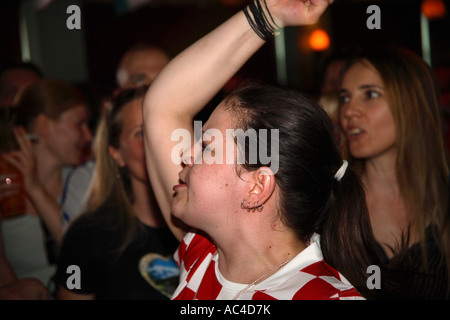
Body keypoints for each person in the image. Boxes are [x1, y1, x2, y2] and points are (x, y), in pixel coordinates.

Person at [142, 0, 388, 300]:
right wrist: (268, 13)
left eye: (206, 146)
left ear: (258, 186)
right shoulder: (204, 255)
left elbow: (164, 105)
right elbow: (163, 104)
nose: (186, 153)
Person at [338, 46, 450, 299]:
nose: (349, 111)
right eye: (345, 98)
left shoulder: (444, 199)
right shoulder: (330, 205)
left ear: (412, 103)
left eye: (370, 94)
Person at [54, 86, 179, 300]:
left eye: (164, 129)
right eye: (140, 133)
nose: (155, 142)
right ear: (117, 154)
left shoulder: (210, 228)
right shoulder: (87, 236)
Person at [60, 44, 171, 230]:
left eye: (163, 80)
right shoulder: (88, 181)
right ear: (118, 93)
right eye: (139, 82)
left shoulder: (203, 162)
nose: (153, 91)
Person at [0, 78, 92, 293]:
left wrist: (34, 188)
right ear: (43, 126)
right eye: (79, 124)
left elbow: (82, 254)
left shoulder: (84, 181)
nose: (88, 135)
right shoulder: (6, 182)